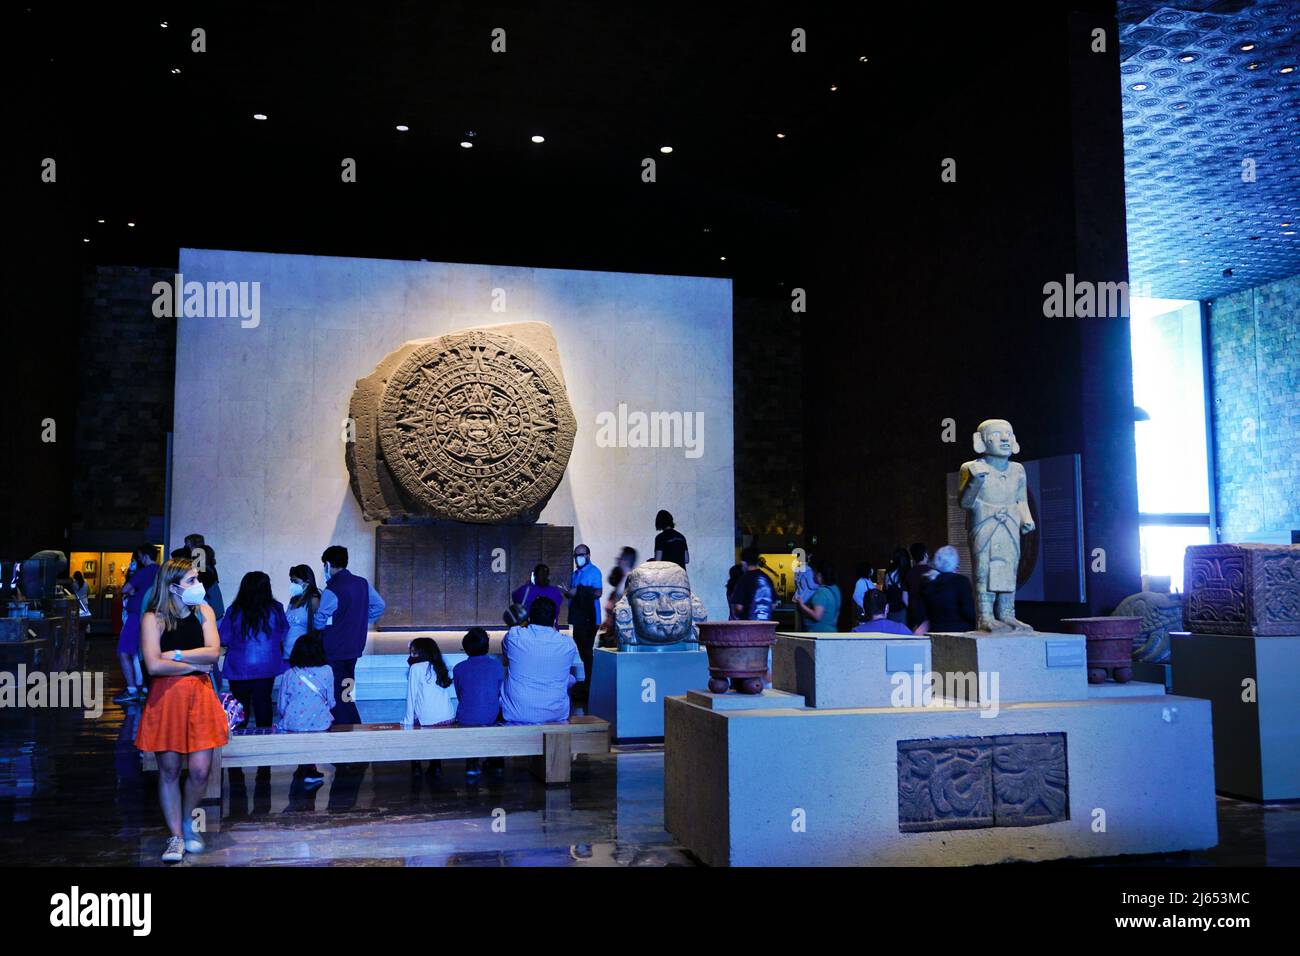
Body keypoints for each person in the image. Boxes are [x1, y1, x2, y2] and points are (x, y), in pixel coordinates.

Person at [134, 558, 228, 863]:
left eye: (197, 579)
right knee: (170, 770)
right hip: (166, 699)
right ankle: (175, 836)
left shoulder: (204, 611)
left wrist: (175, 655)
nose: (198, 585)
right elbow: (153, 665)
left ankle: (188, 821)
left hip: (199, 696)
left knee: (200, 771)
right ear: (173, 587)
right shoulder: (154, 618)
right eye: (191, 581)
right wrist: (193, 664)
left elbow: (213, 654)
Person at [314, 545, 386, 725]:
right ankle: (352, 723)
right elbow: (380, 606)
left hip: (333, 648)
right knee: (347, 688)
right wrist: (360, 620)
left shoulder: (333, 589)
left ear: (328, 564)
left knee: (336, 691)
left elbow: (319, 620)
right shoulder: (362, 583)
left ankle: (348, 725)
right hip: (355, 647)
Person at [218, 571, 289, 729]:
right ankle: (265, 740)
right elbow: (283, 632)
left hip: (238, 667)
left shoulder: (234, 610)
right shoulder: (276, 609)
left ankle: (240, 741)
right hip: (267, 666)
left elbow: (224, 637)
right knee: (263, 703)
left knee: (239, 708)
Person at [500, 597, 584, 725]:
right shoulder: (568, 644)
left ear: (529, 618)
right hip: (556, 714)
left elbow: (506, 656)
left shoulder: (514, 636)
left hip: (516, 713)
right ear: (555, 620)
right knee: (569, 679)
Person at [275, 633, 335, 785]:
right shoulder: (328, 670)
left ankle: (305, 767)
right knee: (313, 725)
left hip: (294, 723)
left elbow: (282, 705)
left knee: (300, 726)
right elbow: (331, 701)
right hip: (320, 722)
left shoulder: (289, 674)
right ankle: (309, 767)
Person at [453, 627, 505, 780]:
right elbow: (499, 693)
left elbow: (460, 695)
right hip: (491, 716)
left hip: (465, 717)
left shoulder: (458, 668)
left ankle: (472, 763)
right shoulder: (496, 666)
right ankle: (496, 760)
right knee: (499, 711)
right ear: (487, 647)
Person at [115, 545, 159, 704]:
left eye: (140, 556)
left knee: (124, 651)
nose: (139, 558)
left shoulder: (143, 571)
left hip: (136, 616)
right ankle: (148, 688)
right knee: (145, 653)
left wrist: (132, 592)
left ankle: (132, 689)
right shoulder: (160, 571)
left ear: (144, 555)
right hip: (153, 616)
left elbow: (125, 589)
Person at [559, 544, 601, 707]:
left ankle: (591, 683)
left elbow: (598, 592)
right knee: (583, 650)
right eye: (576, 555)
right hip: (578, 617)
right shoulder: (575, 574)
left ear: (588, 555)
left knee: (586, 650)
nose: (578, 558)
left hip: (590, 618)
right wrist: (570, 593)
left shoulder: (594, 571)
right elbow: (573, 592)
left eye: (581, 555)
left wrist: (579, 591)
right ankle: (589, 682)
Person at [912, 545, 977, 635]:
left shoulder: (927, 582)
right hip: (960, 633)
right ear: (955, 563)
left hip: (935, 632)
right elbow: (968, 610)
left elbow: (920, 613)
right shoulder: (961, 581)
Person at [597, 547, 638, 647]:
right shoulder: (624, 579)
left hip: (619, 631)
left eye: (621, 557)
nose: (618, 559)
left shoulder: (630, 580)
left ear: (625, 560)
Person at [283, 564, 322, 660]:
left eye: (295, 581)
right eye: (291, 581)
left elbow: (318, 628)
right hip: (285, 654)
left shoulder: (314, 600)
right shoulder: (293, 600)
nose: (292, 584)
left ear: (307, 582)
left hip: (301, 656)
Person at [184, 533, 224, 621]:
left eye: (187, 546)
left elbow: (197, 594)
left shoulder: (201, 568)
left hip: (212, 615)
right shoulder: (206, 563)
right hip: (215, 613)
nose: (186, 549)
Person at [796, 558, 842, 633]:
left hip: (819, 632)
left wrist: (802, 605)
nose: (812, 575)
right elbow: (836, 614)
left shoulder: (821, 592)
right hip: (832, 630)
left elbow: (817, 616)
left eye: (813, 573)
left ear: (819, 575)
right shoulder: (835, 589)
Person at [734, 546, 777, 621]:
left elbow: (739, 607)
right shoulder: (767, 578)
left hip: (749, 625)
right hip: (766, 625)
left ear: (743, 562)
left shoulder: (743, 580)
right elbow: (773, 605)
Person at [904, 542, 932, 631]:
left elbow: (904, 598)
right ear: (925, 554)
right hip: (930, 615)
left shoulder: (909, 573)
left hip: (914, 615)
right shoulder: (932, 572)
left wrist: (913, 608)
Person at [883, 547, 912, 625]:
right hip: (903, 611)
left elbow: (885, 589)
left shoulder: (888, 573)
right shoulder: (906, 573)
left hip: (890, 609)